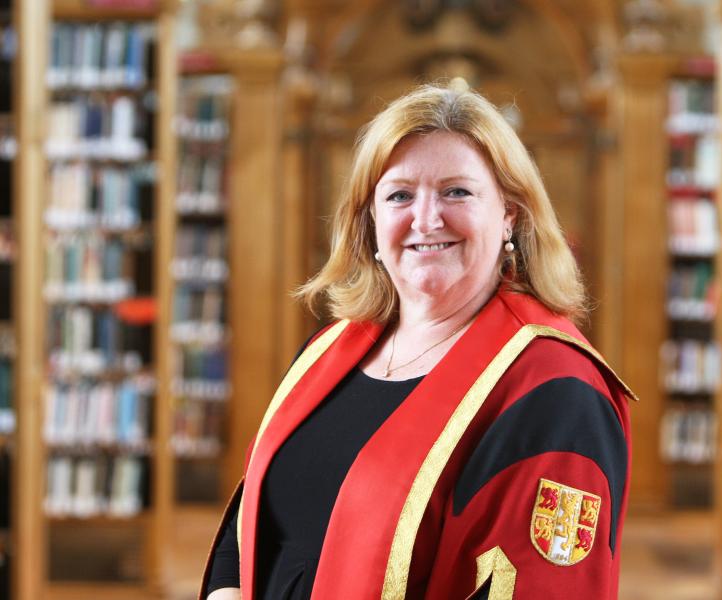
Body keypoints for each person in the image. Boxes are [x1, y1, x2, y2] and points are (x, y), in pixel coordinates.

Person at [201, 81, 635, 600]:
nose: (426, 219)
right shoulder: (327, 352)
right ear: (371, 221)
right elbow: (251, 522)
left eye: (457, 191)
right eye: (400, 194)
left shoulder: (555, 390)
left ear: (509, 216)